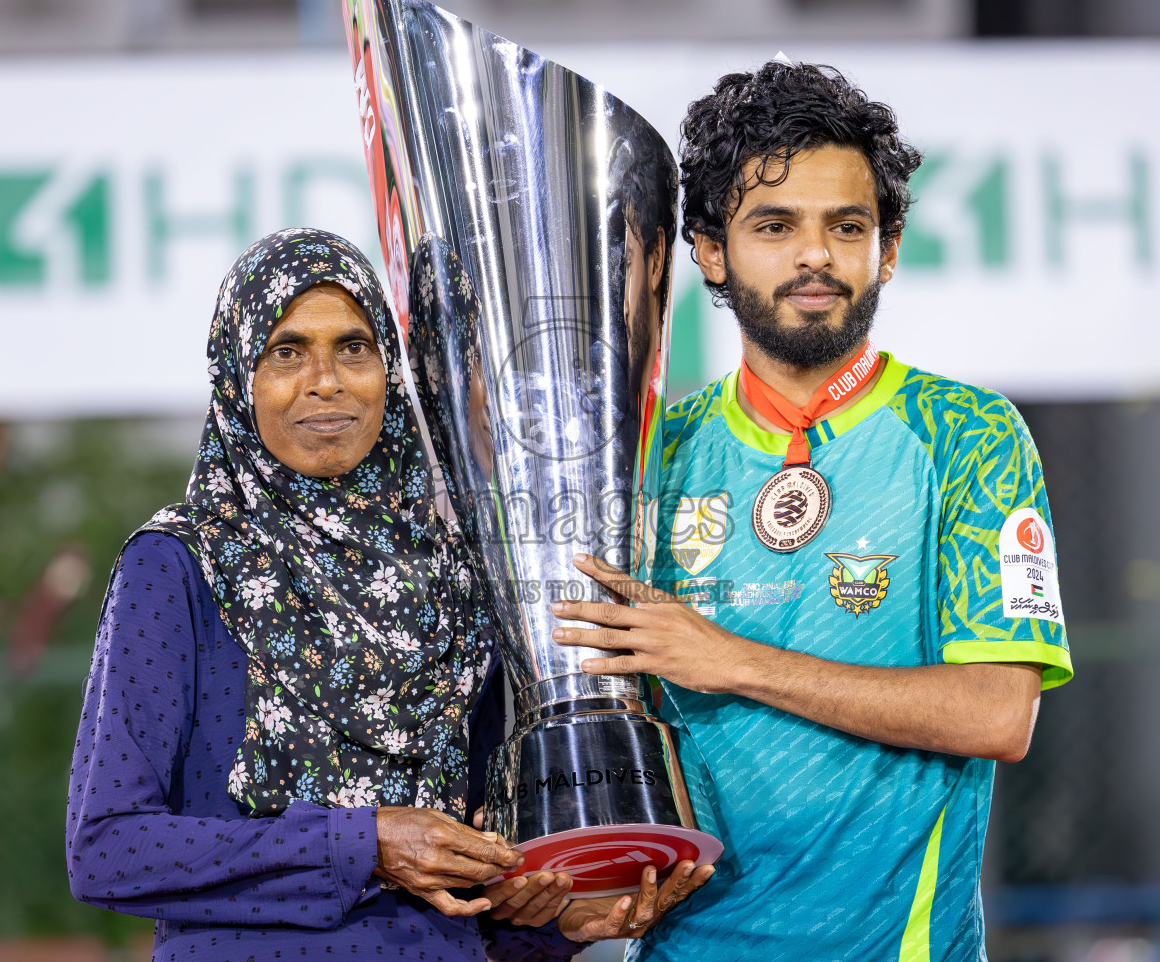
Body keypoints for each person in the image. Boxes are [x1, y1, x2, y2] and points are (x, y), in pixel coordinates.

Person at [548, 63, 1075, 960]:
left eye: (847, 225)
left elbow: (996, 712)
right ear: (711, 251)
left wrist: (732, 662)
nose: (816, 256)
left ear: (890, 246)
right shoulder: (647, 458)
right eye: (775, 225)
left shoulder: (968, 436)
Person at [66, 229, 705, 961]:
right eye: (286, 351)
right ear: (236, 378)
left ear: (389, 372)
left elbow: (473, 898)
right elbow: (108, 849)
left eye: (353, 347)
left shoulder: (455, 570)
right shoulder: (179, 563)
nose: (326, 380)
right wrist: (362, 843)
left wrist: (550, 925)